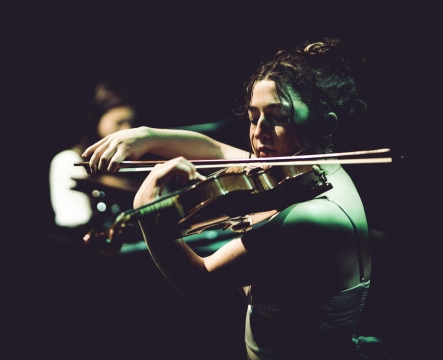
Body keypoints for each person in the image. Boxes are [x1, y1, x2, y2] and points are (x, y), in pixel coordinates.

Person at [82, 39, 391, 359]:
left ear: (325, 124)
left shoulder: (313, 217)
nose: (259, 132)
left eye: (278, 116)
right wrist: (146, 136)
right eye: (253, 117)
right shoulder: (313, 173)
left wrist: (146, 210)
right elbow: (216, 151)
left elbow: (197, 280)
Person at [49, 79, 137, 232]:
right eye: (119, 122)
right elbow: (75, 220)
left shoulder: (129, 158)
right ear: (97, 119)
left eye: (130, 122)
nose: (127, 130)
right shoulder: (68, 160)